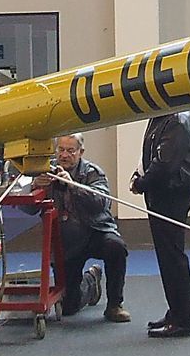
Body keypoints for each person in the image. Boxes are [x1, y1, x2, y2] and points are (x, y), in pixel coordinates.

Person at [42, 133, 130, 323]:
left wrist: (72, 185)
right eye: (61, 150)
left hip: (95, 232)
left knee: (116, 247)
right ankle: (91, 282)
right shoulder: (46, 172)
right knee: (68, 307)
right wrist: (34, 186)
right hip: (65, 242)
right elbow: (27, 209)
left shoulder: (93, 172)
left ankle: (115, 304)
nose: (64, 155)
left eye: (70, 151)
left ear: (81, 152)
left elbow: (101, 203)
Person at [132, 111, 190, 339]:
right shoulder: (162, 117)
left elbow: (165, 165)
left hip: (172, 194)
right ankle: (176, 312)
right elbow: (153, 155)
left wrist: (141, 183)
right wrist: (139, 175)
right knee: (167, 256)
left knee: (173, 257)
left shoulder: (178, 120)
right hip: (161, 193)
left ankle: (183, 321)